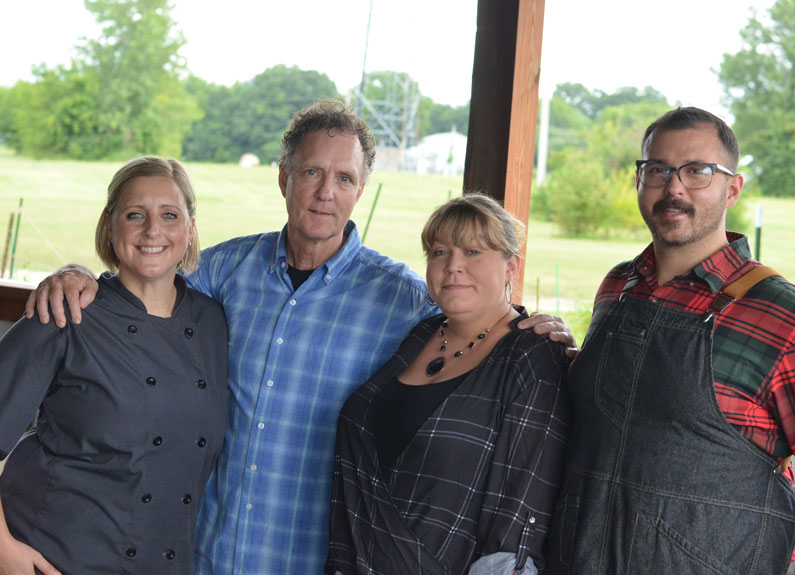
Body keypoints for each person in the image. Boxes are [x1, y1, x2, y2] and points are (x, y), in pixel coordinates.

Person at [25, 100, 575, 574]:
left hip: (316, 557)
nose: (325, 194)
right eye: (312, 173)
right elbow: (144, 275)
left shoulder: (404, 300)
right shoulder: (223, 271)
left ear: (360, 190)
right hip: (204, 552)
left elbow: (471, 310)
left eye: (344, 179)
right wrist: (76, 274)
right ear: (285, 177)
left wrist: (528, 324)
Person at [545, 107, 795, 575]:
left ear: (733, 188)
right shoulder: (617, 287)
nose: (674, 187)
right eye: (657, 169)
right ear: (639, 181)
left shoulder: (780, 314)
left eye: (698, 171)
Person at [0, 156, 228, 575]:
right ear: (110, 225)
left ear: (190, 228)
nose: (152, 231)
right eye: (135, 215)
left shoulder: (213, 322)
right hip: (52, 557)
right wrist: (4, 551)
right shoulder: (66, 310)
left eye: (170, 215)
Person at [326, 193, 570, 575]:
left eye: (473, 251)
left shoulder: (531, 355)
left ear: (511, 266)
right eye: (439, 252)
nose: (453, 266)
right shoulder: (420, 334)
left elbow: (523, 505)